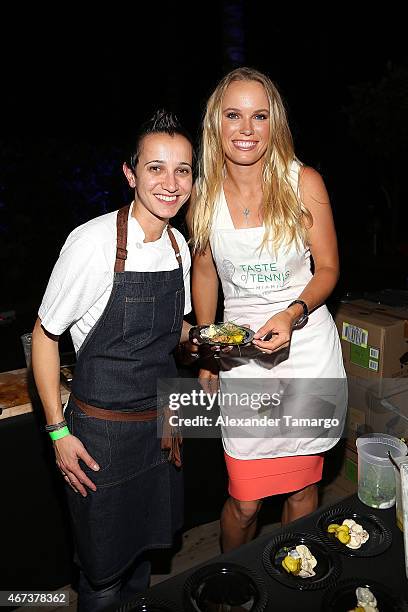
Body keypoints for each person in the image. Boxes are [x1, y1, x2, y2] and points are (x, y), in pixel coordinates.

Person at [32, 110, 195, 611]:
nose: (170, 183)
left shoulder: (178, 246)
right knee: (102, 574)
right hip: (98, 439)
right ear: (131, 173)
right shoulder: (92, 244)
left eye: (183, 170)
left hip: (159, 430)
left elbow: (176, 331)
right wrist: (59, 433)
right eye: (155, 168)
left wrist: (212, 341)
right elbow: (44, 336)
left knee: (143, 555)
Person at [188, 67, 347, 552]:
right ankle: (230, 588)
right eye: (234, 115)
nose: (247, 129)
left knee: (302, 491)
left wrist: (292, 312)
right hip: (244, 361)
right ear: (217, 124)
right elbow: (205, 274)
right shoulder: (202, 196)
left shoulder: (305, 182)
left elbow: (328, 271)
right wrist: (209, 349)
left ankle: (292, 587)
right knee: (245, 500)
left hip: (307, 353)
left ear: (274, 123)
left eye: (260, 116)